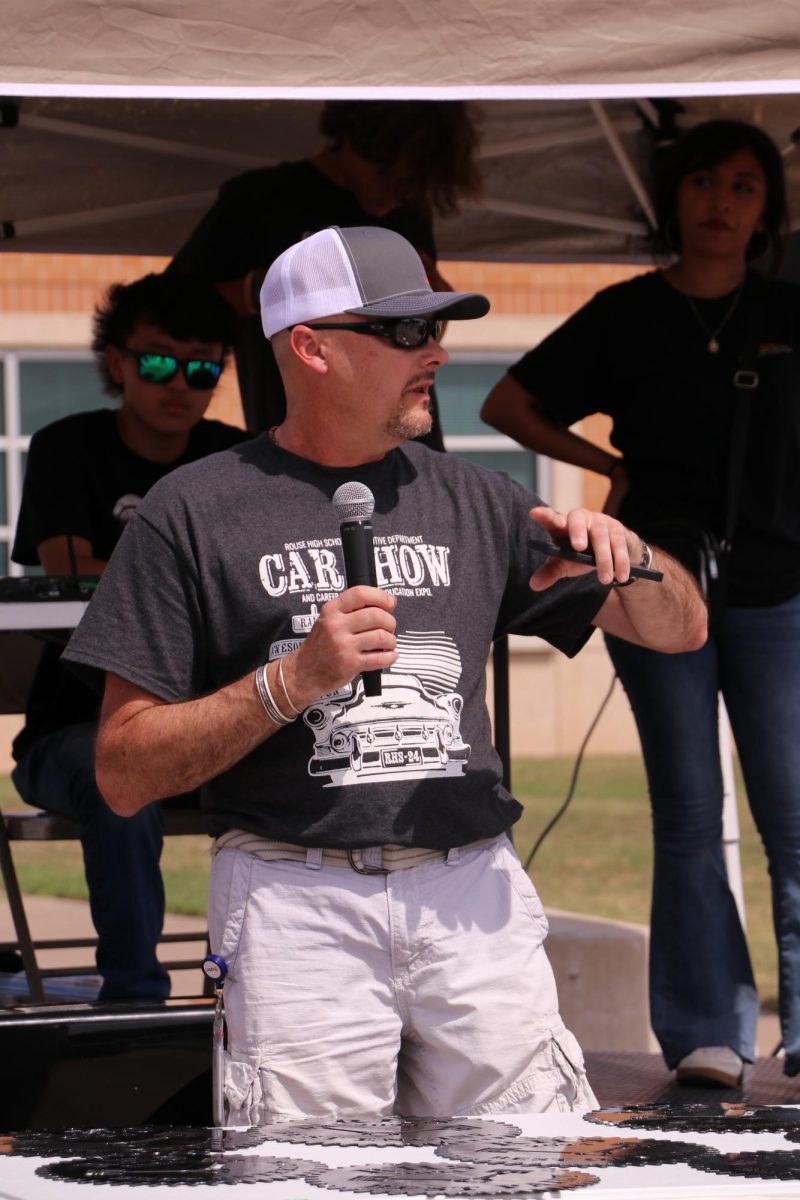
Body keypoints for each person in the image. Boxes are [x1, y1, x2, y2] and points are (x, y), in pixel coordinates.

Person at [62, 225, 705, 1122]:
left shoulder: (476, 498)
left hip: (468, 892)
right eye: (405, 332)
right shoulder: (192, 512)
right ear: (311, 347)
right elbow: (123, 773)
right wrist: (292, 681)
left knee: (520, 1173)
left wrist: (632, 560)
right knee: (305, 1185)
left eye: (436, 329)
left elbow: (682, 631)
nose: (436, 351)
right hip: (295, 902)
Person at [480, 118, 800, 1089]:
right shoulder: (624, 314)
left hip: (779, 586)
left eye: (742, 185)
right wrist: (605, 464)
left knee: (792, 812)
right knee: (685, 808)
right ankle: (705, 1030)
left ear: (765, 209)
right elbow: (507, 404)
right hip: (654, 580)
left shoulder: (789, 308)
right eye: (702, 181)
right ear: (672, 198)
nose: (720, 201)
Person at [11, 271, 247, 1002]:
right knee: (121, 782)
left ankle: (245, 996)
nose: (179, 383)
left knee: (301, 772)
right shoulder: (64, 447)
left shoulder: (240, 458)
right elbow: (69, 575)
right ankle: (135, 1004)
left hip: (211, 726)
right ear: (116, 362)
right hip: (74, 731)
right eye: (156, 362)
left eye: (203, 368)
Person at [169, 99, 483, 448]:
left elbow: (421, 327)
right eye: (397, 178)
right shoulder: (261, 199)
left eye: (414, 188)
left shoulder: (409, 212)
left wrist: (434, 300)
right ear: (360, 140)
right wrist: (259, 289)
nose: (399, 196)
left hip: (408, 444)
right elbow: (173, 306)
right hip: (298, 446)